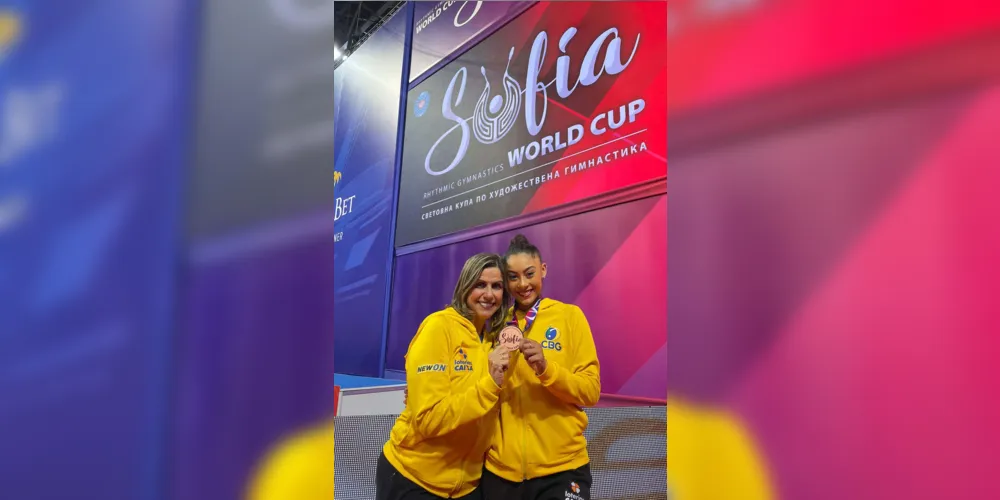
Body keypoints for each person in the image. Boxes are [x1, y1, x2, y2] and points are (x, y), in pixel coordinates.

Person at [378, 253, 513, 500]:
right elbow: (429, 419)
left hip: (468, 486)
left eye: (497, 286)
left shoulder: (496, 340)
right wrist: (489, 386)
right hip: (413, 478)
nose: (489, 294)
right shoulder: (438, 328)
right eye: (480, 284)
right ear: (465, 286)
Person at [481, 235, 602, 500]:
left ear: (543, 270)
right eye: (513, 277)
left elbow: (590, 391)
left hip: (562, 469)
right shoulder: (497, 327)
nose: (522, 284)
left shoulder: (570, 317)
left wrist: (546, 369)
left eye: (529, 273)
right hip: (501, 473)